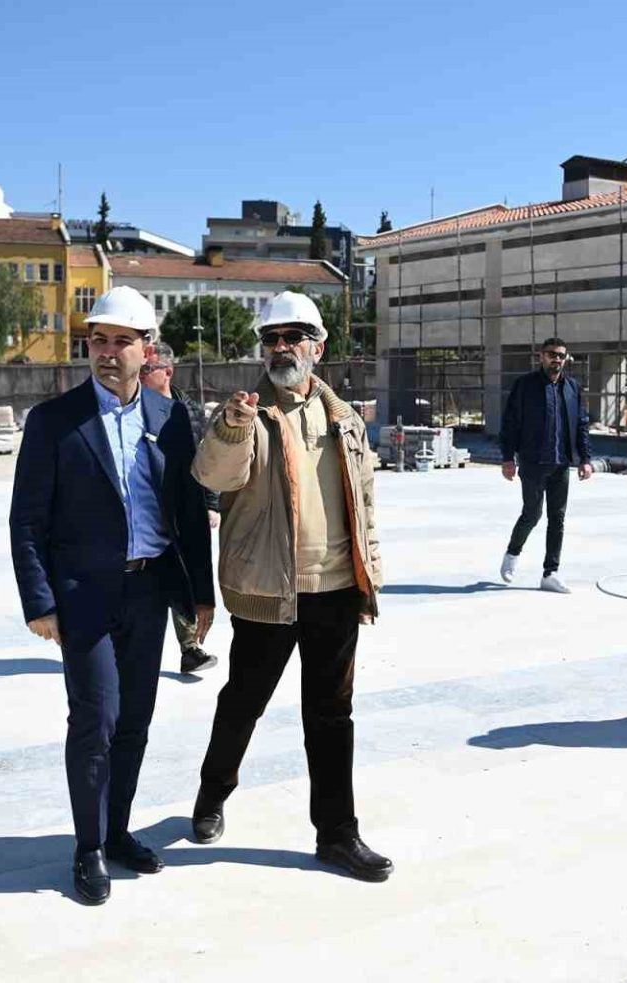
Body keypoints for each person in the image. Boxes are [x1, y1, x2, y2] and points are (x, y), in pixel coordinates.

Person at [9, 285, 216, 904]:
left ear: (146, 350)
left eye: (121, 341)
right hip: (85, 598)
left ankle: (118, 830)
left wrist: (200, 596)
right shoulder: (54, 421)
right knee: (95, 719)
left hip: (149, 590)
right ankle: (88, 847)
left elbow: (189, 513)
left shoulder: (169, 419)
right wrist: (40, 602)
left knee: (135, 721)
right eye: (97, 340)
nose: (106, 351)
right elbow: (26, 520)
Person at [189, 290, 392, 882]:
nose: (281, 348)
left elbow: (365, 502)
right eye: (271, 339)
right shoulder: (245, 414)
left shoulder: (345, 418)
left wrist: (369, 575)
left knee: (332, 716)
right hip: (267, 590)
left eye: (293, 337)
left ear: (318, 347)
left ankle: (337, 834)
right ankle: (212, 793)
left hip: (335, 590)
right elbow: (212, 474)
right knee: (243, 702)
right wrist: (231, 429)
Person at [141, 341, 220, 675]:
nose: (141, 375)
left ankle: (190, 648)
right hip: (149, 508)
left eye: (148, 369)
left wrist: (211, 503)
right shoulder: (134, 408)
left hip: (182, 507)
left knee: (185, 574)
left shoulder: (188, 410)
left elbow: (206, 460)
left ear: (167, 372)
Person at [497, 337, 594, 593]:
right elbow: (510, 423)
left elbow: (581, 425)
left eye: (561, 355)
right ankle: (512, 553)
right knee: (532, 513)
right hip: (533, 461)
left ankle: (551, 573)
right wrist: (507, 458)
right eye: (552, 354)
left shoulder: (572, 388)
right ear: (541, 356)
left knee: (557, 519)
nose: (557, 359)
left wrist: (585, 459)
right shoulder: (525, 386)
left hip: (561, 463)